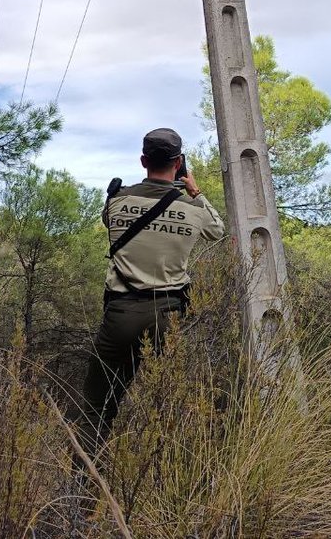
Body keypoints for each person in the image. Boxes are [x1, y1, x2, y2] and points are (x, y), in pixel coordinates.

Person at [78, 127, 226, 449]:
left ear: (143, 160)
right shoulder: (195, 210)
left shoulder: (117, 199)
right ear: (179, 162)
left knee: (96, 404)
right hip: (168, 317)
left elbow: (108, 221)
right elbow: (218, 231)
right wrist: (195, 190)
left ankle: (87, 476)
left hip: (120, 314)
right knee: (167, 397)